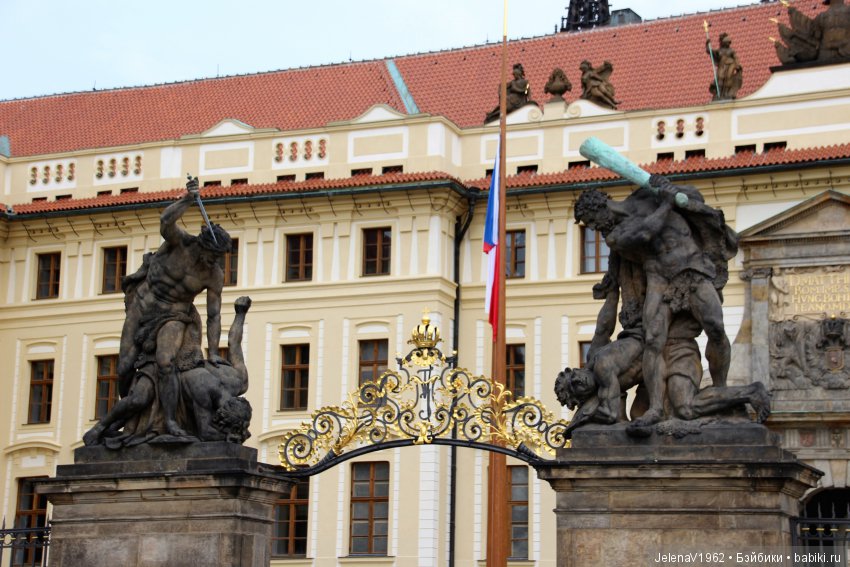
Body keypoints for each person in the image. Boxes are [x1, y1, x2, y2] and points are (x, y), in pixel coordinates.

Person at [573, 176, 737, 428]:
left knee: (716, 328)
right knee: (653, 340)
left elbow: (694, 196)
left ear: (600, 208)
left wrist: (669, 189)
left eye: (592, 221)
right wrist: (667, 204)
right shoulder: (615, 237)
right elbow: (647, 231)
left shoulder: (645, 196)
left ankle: (721, 389)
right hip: (659, 277)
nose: (595, 228)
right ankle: (656, 408)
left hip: (692, 268)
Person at [109, 177, 231, 439]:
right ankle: (126, 418)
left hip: (176, 314)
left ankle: (172, 421)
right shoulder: (181, 243)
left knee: (166, 363)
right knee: (124, 367)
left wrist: (213, 351)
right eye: (212, 255)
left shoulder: (213, 274)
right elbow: (166, 222)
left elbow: (214, 315)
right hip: (144, 304)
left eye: (218, 258)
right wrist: (187, 199)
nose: (214, 261)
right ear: (202, 244)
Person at [707, 33, 743, 100]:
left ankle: (727, 93)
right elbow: (710, 52)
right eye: (727, 42)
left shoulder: (731, 50)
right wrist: (707, 44)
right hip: (722, 66)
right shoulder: (719, 50)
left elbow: (736, 58)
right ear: (723, 43)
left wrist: (738, 65)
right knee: (720, 78)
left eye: (729, 43)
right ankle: (719, 94)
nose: (728, 44)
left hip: (730, 65)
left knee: (728, 78)